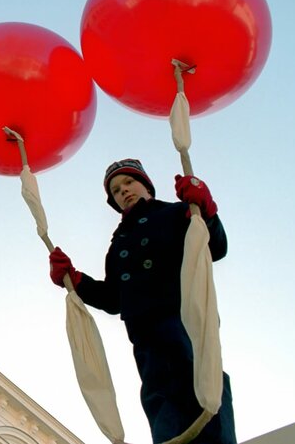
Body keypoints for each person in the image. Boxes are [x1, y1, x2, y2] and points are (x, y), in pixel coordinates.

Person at [49, 159, 236, 443]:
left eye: (128, 183)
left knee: (202, 385)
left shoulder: (178, 212)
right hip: (145, 338)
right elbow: (113, 299)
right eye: (115, 190)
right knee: (160, 403)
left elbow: (217, 246)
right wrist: (76, 281)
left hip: (185, 320)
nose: (123, 191)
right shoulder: (117, 246)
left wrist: (206, 210)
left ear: (146, 185)